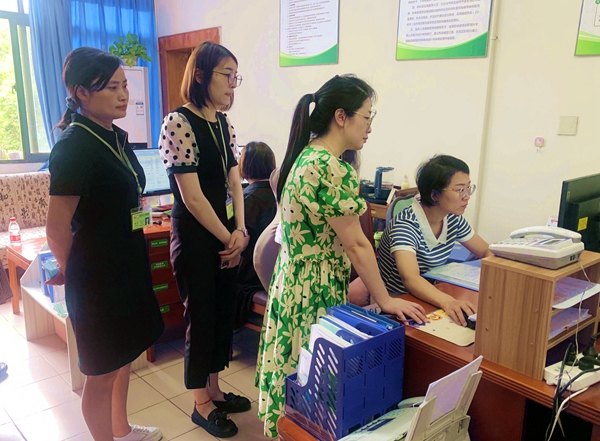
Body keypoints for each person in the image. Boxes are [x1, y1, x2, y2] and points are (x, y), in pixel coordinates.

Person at [255, 74, 427, 437]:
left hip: (293, 282)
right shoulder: (331, 167)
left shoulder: (306, 156)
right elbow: (357, 245)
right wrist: (385, 300)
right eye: (366, 116)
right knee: (314, 387)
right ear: (341, 117)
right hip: (313, 287)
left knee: (295, 373)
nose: (369, 126)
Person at [45, 47, 164, 441]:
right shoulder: (74, 145)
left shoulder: (114, 136)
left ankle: (122, 430)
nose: (123, 95)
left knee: (124, 356)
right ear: (81, 92)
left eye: (124, 85)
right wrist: (76, 271)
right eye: (111, 87)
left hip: (126, 266)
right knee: (100, 374)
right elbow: (56, 228)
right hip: (97, 280)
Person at [158, 42, 250, 438]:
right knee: (201, 317)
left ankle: (215, 389)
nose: (232, 84)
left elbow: (235, 182)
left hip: (227, 236)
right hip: (196, 238)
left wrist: (241, 231)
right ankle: (200, 403)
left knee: (222, 314)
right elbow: (192, 198)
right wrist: (230, 237)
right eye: (226, 75)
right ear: (200, 75)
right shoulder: (177, 122)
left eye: (235, 76)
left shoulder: (223, 124)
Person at [377, 155, 493, 326]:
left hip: (433, 291)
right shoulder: (405, 225)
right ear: (435, 195)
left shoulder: (452, 218)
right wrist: (448, 302)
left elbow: (485, 251)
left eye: (468, 188)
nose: (467, 196)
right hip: (400, 300)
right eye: (460, 190)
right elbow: (411, 278)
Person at [233, 142, 277, 328]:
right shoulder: (280, 195)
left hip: (251, 276)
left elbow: (239, 244)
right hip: (275, 271)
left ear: (244, 165)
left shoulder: (248, 199)